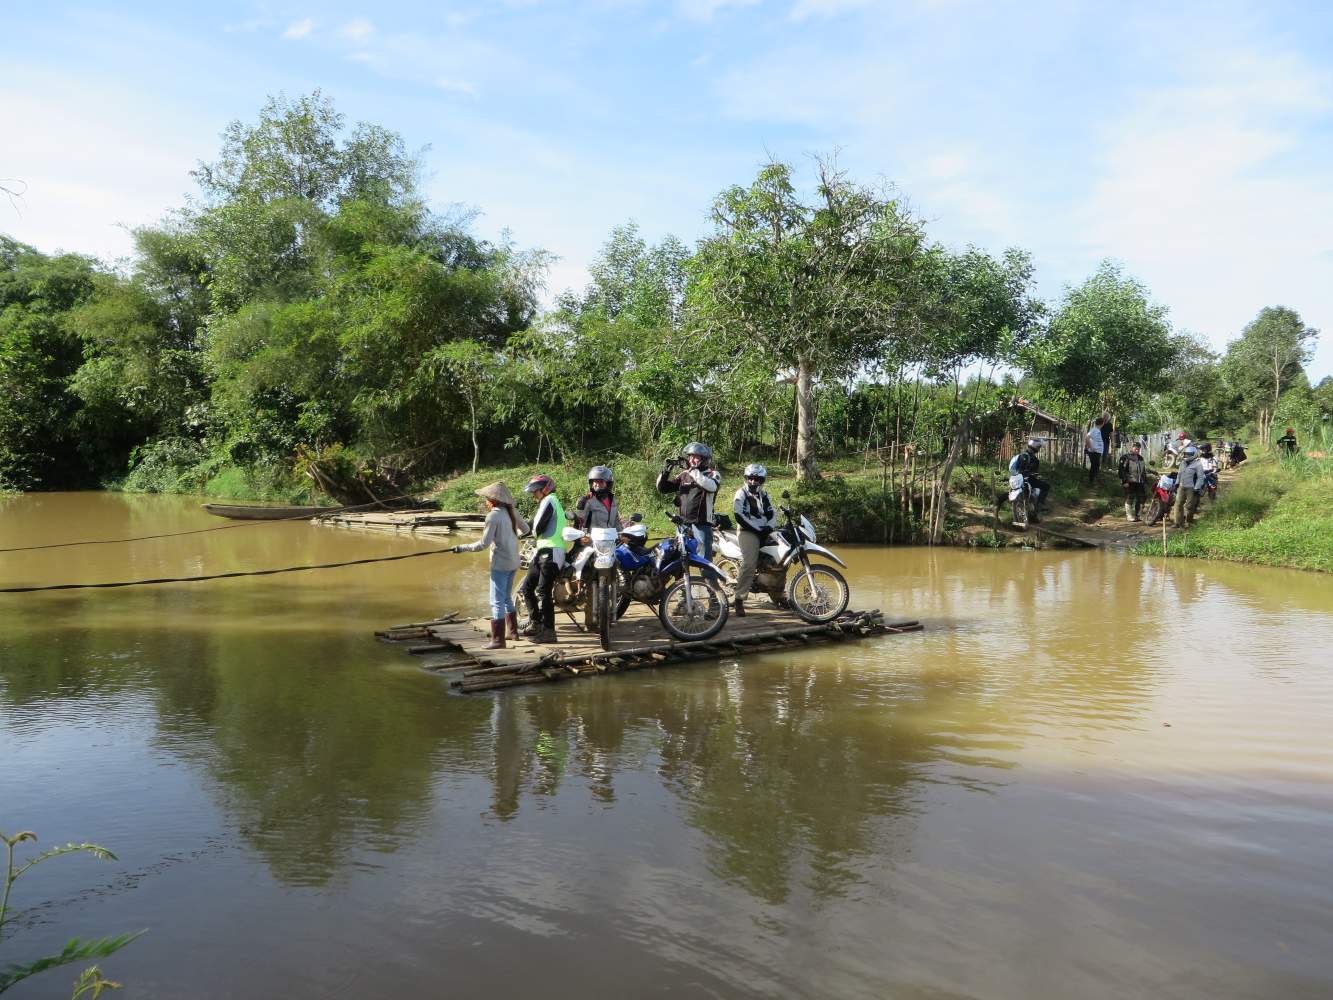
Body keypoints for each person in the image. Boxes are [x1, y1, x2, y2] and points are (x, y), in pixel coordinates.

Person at [451, 482, 529, 650]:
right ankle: (513, 633)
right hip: (514, 560)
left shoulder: (493, 516)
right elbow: (527, 529)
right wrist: (510, 539)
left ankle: (498, 640)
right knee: (507, 597)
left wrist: (461, 548)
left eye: (487, 499)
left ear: (493, 501)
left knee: (496, 602)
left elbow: (483, 544)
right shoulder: (512, 512)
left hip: (500, 563)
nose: (486, 502)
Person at [519, 473, 566, 644]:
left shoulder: (550, 500)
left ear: (545, 489)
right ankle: (536, 622)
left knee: (543, 591)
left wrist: (526, 533)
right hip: (542, 550)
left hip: (552, 551)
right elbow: (534, 523)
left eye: (535, 492)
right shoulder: (546, 502)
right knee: (527, 587)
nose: (533, 495)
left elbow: (538, 526)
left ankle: (549, 631)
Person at [657, 442, 721, 561]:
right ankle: (682, 580)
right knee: (678, 557)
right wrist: (665, 471)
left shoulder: (712, 474)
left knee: (704, 560)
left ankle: (708, 580)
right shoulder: (684, 475)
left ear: (704, 459)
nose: (691, 460)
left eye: (695, 457)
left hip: (702, 523)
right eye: (690, 456)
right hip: (682, 523)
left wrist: (692, 471)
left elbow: (711, 487)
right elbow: (663, 488)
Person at [732, 463, 777, 616]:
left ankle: (779, 595)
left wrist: (769, 528)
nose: (753, 482)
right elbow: (739, 515)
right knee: (749, 563)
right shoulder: (741, 493)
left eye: (757, 479)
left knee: (779, 559)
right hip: (747, 531)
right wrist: (758, 530)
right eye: (750, 478)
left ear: (762, 480)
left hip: (765, 530)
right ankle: (739, 599)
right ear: (746, 478)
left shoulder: (765, 495)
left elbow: (772, 513)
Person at [1010, 438, 1049, 519]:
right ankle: (1040, 505)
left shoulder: (1021, 455)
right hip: (1028, 479)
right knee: (1046, 486)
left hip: (1017, 479)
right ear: (1035, 447)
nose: (1038, 449)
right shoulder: (1034, 459)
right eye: (1038, 447)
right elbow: (1033, 472)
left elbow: (1017, 469)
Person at [1173, 445, 1204, 528]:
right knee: (1178, 504)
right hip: (1182, 486)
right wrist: (1176, 483)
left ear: (1194, 454)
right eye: (1186, 454)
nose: (1187, 456)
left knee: (1189, 506)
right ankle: (1177, 522)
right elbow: (1179, 474)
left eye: (1189, 454)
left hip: (1191, 488)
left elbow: (1200, 477)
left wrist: (1197, 488)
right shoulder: (1183, 463)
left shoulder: (1198, 464)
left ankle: (1189, 521)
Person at [1118, 442, 1148, 521]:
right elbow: (1121, 470)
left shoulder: (1141, 458)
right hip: (1129, 481)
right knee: (1130, 497)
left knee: (1142, 498)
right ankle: (1129, 515)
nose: (1137, 450)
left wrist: (1145, 481)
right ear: (1132, 448)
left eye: (1138, 448)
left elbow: (1143, 471)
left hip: (1139, 481)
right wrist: (1124, 481)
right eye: (1135, 448)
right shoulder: (1125, 457)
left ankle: (1139, 514)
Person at [1085, 417, 1105, 483]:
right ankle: (1091, 481)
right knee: (1094, 466)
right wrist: (1090, 447)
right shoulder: (1094, 430)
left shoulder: (1097, 430)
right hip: (1094, 451)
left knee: (1096, 465)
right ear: (1102, 424)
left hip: (1097, 451)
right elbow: (1087, 437)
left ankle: (1093, 480)